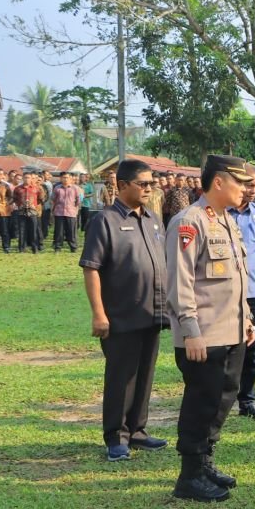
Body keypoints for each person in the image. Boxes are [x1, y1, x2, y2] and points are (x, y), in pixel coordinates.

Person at [166, 155, 255, 502]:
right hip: (203, 335)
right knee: (201, 402)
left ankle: (204, 462)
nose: (246, 189)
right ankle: (189, 476)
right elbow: (180, 282)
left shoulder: (227, 220)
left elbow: (236, 278)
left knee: (224, 397)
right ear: (218, 182)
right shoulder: (189, 222)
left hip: (231, 330)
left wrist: (246, 319)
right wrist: (190, 331)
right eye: (240, 182)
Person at [80, 159, 170, 462]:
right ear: (121, 185)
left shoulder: (153, 219)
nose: (149, 188)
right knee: (121, 378)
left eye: (151, 183)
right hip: (120, 315)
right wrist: (99, 313)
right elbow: (91, 268)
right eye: (142, 183)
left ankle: (137, 430)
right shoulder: (105, 221)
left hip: (152, 311)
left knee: (144, 375)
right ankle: (116, 437)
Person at [227, 166, 255, 420]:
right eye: (248, 185)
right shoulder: (220, 213)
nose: (253, 190)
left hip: (253, 291)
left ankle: (247, 401)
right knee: (223, 347)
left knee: (250, 349)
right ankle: (221, 399)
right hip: (224, 291)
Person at [13, 172, 45, 253]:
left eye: (28, 177)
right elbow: (15, 199)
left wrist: (33, 205)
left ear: (31, 179)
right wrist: (20, 204)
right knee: (22, 230)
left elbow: (41, 199)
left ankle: (34, 248)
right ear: (23, 178)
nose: (27, 179)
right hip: (21, 212)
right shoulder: (18, 188)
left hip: (32, 212)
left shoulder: (37, 188)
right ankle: (21, 248)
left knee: (33, 230)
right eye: (25, 177)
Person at [52, 172, 80, 253]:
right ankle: (58, 247)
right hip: (59, 212)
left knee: (71, 231)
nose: (66, 179)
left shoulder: (75, 188)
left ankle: (73, 247)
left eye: (67, 177)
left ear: (70, 179)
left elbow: (78, 201)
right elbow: (53, 200)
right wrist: (52, 210)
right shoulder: (57, 188)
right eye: (64, 177)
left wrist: (75, 210)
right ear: (61, 178)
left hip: (71, 213)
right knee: (59, 231)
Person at [0, 168, 14, 253]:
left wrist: (7, 203)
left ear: (1, 175)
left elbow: (11, 197)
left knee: (4, 230)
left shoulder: (5, 186)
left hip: (4, 211)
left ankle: (6, 247)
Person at [40, 170, 54, 241]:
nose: (48, 176)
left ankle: (44, 234)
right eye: (47, 174)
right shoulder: (40, 184)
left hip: (47, 204)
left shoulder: (49, 183)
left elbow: (50, 195)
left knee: (45, 221)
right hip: (40, 206)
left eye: (49, 175)